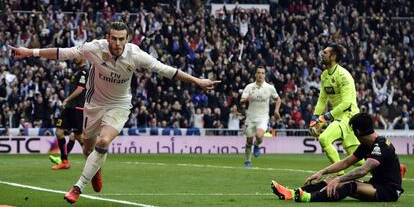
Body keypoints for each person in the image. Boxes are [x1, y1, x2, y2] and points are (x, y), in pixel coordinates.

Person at [9, 21, 220, 204]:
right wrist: (29, 52)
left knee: (103, 143)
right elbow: (62, 53)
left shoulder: (136, 55)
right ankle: (95, 168)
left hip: (118, 106)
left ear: (128, 39)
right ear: (107, 37)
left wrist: (196, 81)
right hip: (93, 105)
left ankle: (77, 187)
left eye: (122, 39)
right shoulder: (94, 48)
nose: (117, 43)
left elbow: (167, 70)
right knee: (87, 149)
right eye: (114, 38)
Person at [271, 113, 404, 203]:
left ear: (357, 132)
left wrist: (339, 179)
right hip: (375, 184)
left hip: (389, 191)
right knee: (332, 180)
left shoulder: (381, 145)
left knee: (349, 185)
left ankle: (308, 198)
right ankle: (291, 193)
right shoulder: (366, 145)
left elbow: (363, 170)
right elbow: (346, 162)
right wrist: (322, 172)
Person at [309, 44, 361, 175]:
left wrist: (325, 117)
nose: (322, 54)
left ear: (333, 56)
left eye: (325, 53)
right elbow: (322, 100)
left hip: (350, 116)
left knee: (324, 138)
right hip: (338, 117)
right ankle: (396, 167)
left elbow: (347, 103)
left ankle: (340, 176)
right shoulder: (324, 75)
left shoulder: (344, 75)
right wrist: (314, 118)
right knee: (358, 160)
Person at [49, 58, 88, 170]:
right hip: (71, 107)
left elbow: (80, 89)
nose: (74, 58)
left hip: (77, 107)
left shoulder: (84, 71)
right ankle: (64, 161)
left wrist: (66, 99)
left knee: (78, 136)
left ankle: (93, 160)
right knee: (60, 132)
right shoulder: (76, 71)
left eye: (76, 56)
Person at [240, 65, 281, 167]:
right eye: (258, 73)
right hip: (250, 118)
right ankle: (247, 161)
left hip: (263, 117)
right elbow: (241, 101)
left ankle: (257, 145)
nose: (260, 75)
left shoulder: (269, 88)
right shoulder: (249, 87)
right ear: (255, 74)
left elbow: (278, 99)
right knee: (249, 140)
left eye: (262, 73)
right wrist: (246, 99)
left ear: (265, 75)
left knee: (259, 135)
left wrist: (276, 110)